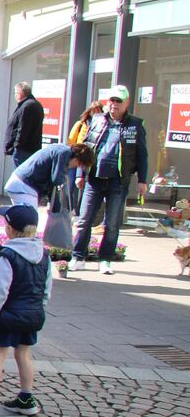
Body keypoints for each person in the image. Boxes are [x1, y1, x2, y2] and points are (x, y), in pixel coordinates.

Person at [0, 204, 51, 417]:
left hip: (9, 314)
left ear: (9, 229)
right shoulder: (44, 255)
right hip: (33, 313)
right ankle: (26, 397)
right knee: (24, 353)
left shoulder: (8, 255)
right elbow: (46, 289)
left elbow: (0, 289)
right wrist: (38, 308)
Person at [71, 85, 148, 275]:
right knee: (84, 220)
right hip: (94, 178)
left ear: (126, 103)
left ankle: (105, 259)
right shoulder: (97, 119)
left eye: (118, 101)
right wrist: (80, 174)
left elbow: (142, 155)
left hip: (118, 181)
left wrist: (142, 180)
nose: (114, 104)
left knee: (112, 224)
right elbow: (85, 148)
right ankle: (78, 257)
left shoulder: (135, 125)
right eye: (111, 100)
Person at [4, 143, 95, 207]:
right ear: (78, 158)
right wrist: (64, 178)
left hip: (20, 183)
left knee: (23, 221)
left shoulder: (61, 149)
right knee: (29, 222)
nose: (75, 167)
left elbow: (52, 182)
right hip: (24, 186)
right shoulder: (64, 153)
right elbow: (56, 179)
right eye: (79, 164)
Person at [65, 101, 104, 212]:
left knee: (85, 186)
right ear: (89, 111)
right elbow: (71, 140)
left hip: (87, 159)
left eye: (98, 111)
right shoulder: (81, 124)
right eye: (94, 111)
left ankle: (78, 210)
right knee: (70, 185)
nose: (96, 113)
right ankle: (69, 208)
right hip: (76, 157)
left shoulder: (102, 125)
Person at [4, 81, 44, 167]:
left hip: (23, 150)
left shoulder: (27, 106)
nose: (15, 95)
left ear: (20, 94)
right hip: (28, 149)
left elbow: (23, 129)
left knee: (21, 174)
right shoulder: (34, 104)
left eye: (15, 93)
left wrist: (16, 147)